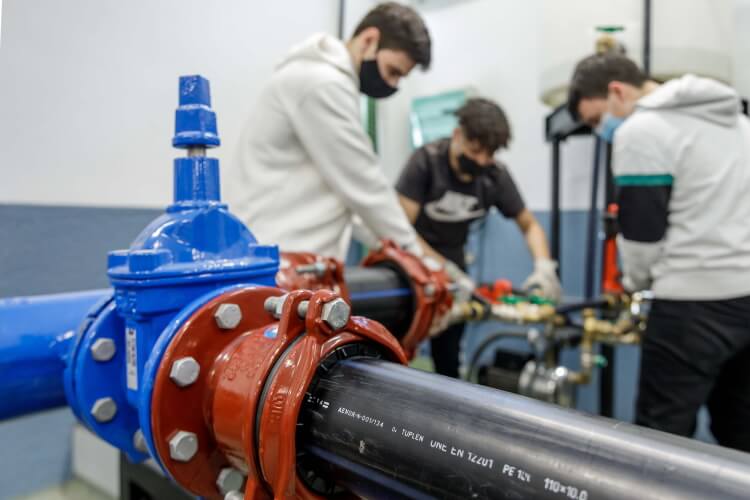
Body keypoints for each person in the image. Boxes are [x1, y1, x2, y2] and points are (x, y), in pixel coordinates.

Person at [568, 53, 750, 451]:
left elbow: (641, 237)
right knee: (740, 431)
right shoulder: (740, 123)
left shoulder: (642, 130)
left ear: (617, 91)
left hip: (692, 307)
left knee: (659, 441)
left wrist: (633, 282)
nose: (601, 131)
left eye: (597, 120)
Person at [227, 2, 431, 261]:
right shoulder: (322, 84)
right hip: (278, 260)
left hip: (286, 257)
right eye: (393, 71)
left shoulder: (323, 80)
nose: (393, 84)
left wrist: (388, 245)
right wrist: (421, 260)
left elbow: (345, 200)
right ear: (369, 39)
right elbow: (365, 185)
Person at [396, 98, 561, 378]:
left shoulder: (494, 177)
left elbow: (529, 224)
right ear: (458, 135)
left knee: (447, 359)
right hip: (408, 268)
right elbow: (401, 230)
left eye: (491, 153)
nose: (482, 161)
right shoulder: (425, 162)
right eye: (476, 150)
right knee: (396, 350)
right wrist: (443, 269)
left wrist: (544, 267)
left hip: (455, 269)